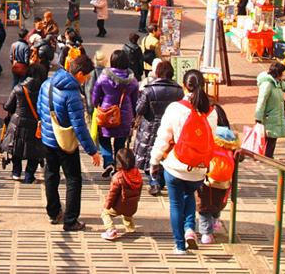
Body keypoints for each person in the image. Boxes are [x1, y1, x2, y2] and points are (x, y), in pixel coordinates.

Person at [150, 70, 218, 254]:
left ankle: (180, 245)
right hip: (199, 169)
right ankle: (189, 229)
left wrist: (154, 161)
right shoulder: (211, 112)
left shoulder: (175, 108)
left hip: (176, 166)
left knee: (176, 204)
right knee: (189, 195)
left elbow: (163, 139)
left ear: (184, 84)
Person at [37, 55, 102, 231]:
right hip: (64, 143)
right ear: (79, 73)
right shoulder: (72, 94)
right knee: (73, 179)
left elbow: (39, 108)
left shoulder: (47, 84)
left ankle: (53, 211)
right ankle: (71, 220)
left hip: (47, 138)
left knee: (51, 175)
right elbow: (79, 126)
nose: (87, 79)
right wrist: (92, 151)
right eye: (86, 76)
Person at [134, 60, 184, 196]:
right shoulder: (179, 91)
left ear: (157, 73)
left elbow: (140, 109)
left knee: (149, 154)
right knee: (166, 153)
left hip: (150, 127)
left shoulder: (149, 90)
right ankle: (161, 181)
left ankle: (154, 182)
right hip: (170, 127)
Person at [196, 104, 240, 244]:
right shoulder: (230, 136)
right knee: (218, 199)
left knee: (203, 204)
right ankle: (216, 219)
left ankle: (206, 234)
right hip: (225, 178)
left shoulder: (208, 133)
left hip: (207, 175)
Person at [92, 50, 140, 178]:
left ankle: (108, 162)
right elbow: (136, 101)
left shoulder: (103, 77)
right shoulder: (133, 80)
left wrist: (97, 106)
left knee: (103, 140)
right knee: (120, 142)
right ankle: (119, 168)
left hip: (106, 114)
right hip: (125, 116)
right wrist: (134, 117)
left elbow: (95, 98)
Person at [1, 63, 47, 183]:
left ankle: (16, 172)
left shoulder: (18, 88)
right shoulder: (43, 89)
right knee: (34, 149)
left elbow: (8, 106)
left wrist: (5, 106)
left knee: (17, 147)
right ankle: (29, 176)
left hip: (18, 122)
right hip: (35, 123)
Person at [255, 62, 285, 158]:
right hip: (269, 115)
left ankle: (267, 156)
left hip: (276, 114)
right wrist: (258, 117)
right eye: (283, 72)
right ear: (278, 73)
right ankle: (266, 157)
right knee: (270, 136)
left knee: (272, 137)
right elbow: (261, 101)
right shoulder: (267, 84)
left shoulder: (278, 82)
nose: (284, 74)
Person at [101, 148, 143, 240]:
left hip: (119, 205)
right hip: (132, 205)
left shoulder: (118, 177)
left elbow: (112, 194)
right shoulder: (137, 174)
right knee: (128, 217)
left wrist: (107, 206)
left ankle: (111, 230)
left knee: (105, 214)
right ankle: (131, 231)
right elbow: (139, 190)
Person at [84, 51, 108, 123]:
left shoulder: (90, 72)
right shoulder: (107, 73)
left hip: (92, 107)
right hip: (104, 108)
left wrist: (89, 109)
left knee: (93, 130)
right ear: (104, 62)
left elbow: (88, 90)